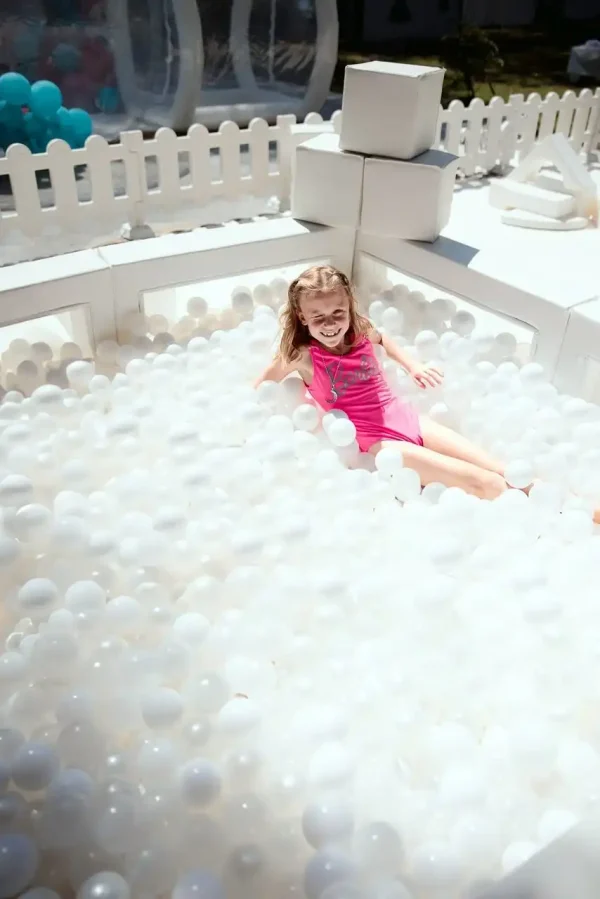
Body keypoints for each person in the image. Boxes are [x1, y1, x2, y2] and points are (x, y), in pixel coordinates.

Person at [254, 264, 536, 503]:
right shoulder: (301, 355)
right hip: (377, 442)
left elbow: (383, 339)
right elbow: (261, 387)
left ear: (349, 307)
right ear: (302, 317)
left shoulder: (359, 330)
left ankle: (558, 506)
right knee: (485, 484)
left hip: (404, 417)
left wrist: (412, 365)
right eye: (318, 317)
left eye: (338, 312)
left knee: (504, 471)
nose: (331, 324)